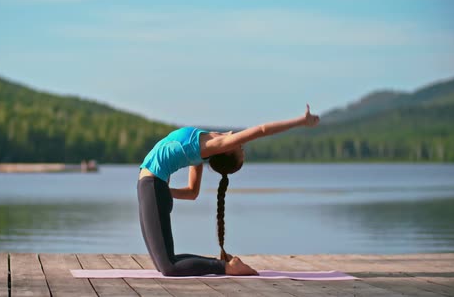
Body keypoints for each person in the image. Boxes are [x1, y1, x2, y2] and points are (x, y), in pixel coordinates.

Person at [137, 104, 320, 276]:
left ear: (226, 149)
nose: (240, 143)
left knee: (168, 268)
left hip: (152, 186)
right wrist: (164, 192)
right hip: (153, 188)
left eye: (239, 147)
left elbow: (262, 130)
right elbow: (192, 192)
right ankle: (226, 264)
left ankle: (226, 267)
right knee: (167, 262)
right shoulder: (202, 149)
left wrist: (301, 121)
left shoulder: (210, 146)